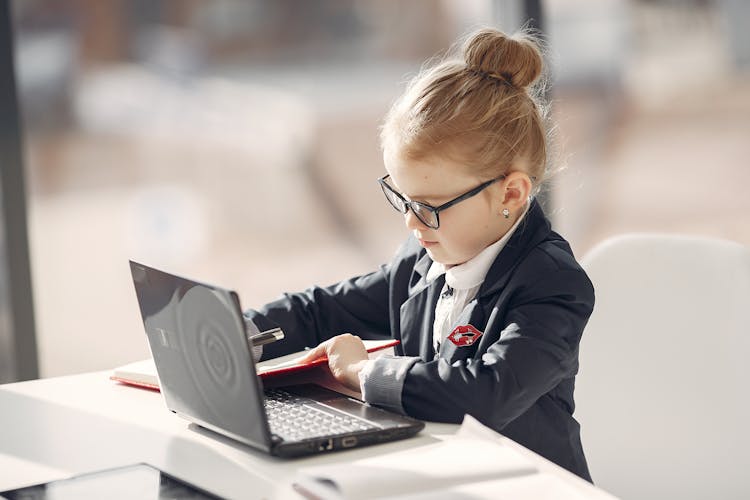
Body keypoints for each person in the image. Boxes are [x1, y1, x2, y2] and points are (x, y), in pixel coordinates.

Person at [244, 27, 594, 481]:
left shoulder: (552, 284)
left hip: (526, 485)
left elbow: (484, 395)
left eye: (429, 207)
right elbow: (321, 310)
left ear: (511, 192)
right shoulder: (424, 256)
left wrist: (363, 372)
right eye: (404, 200)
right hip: (440, 479)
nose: (411, 223)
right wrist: (236, 335)